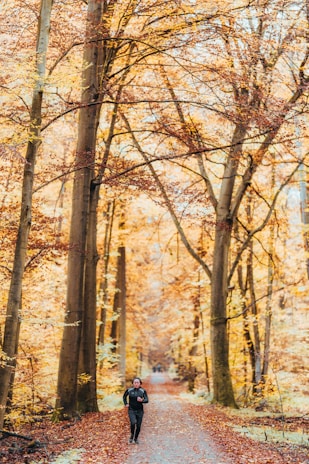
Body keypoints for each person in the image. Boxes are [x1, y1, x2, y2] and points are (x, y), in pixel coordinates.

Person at [123, 377, 149, 444]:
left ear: (140, 383)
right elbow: (124, 397)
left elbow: (147, 400)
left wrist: (142, 400)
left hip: (140, 411)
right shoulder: (129, 390)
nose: (136, 384)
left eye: (138, 382)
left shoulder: (143, 391)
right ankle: (132, 435)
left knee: (138, 425)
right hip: (131, 410)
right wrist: (126, 403)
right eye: (135, 382)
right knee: (133, 422)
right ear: (133, 383)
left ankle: (136, 438)